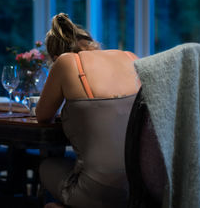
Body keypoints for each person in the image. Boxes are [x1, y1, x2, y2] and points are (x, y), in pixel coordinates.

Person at [36, 13, 140, 208]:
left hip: (97, 193)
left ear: (55, 56)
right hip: (140, 187)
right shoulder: (130, 57)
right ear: (92, 43)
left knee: (47, 165)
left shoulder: (66, 61)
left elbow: (42, 116)